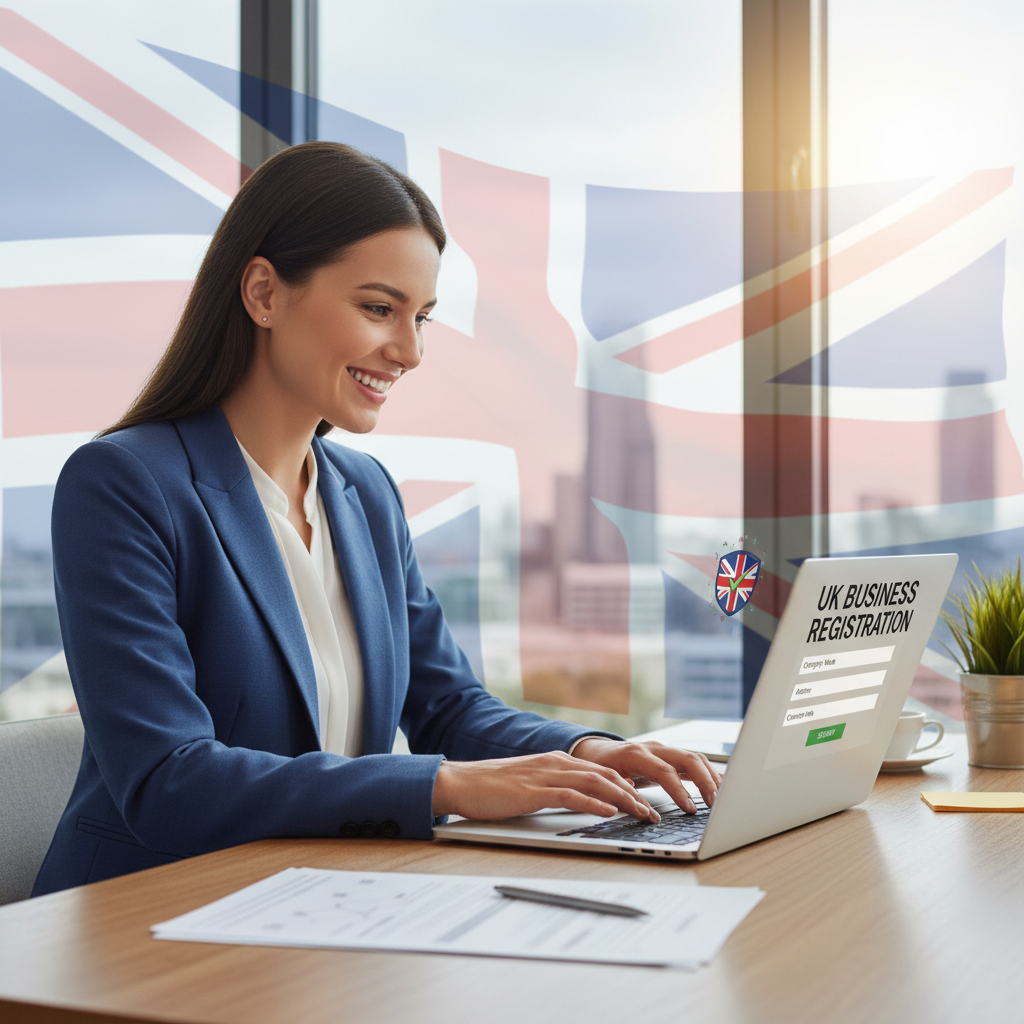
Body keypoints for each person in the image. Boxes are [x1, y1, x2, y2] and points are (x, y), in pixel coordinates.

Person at [32, 142, 720, 896]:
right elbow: (169, 778)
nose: (410, 350)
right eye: (378, 308)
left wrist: (587, 750)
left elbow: (446, 705)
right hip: (147, 915)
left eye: (420, 316)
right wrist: (443, 790)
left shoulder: (364, 492)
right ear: (264, 292)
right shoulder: (125, 484)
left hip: (317, 899)